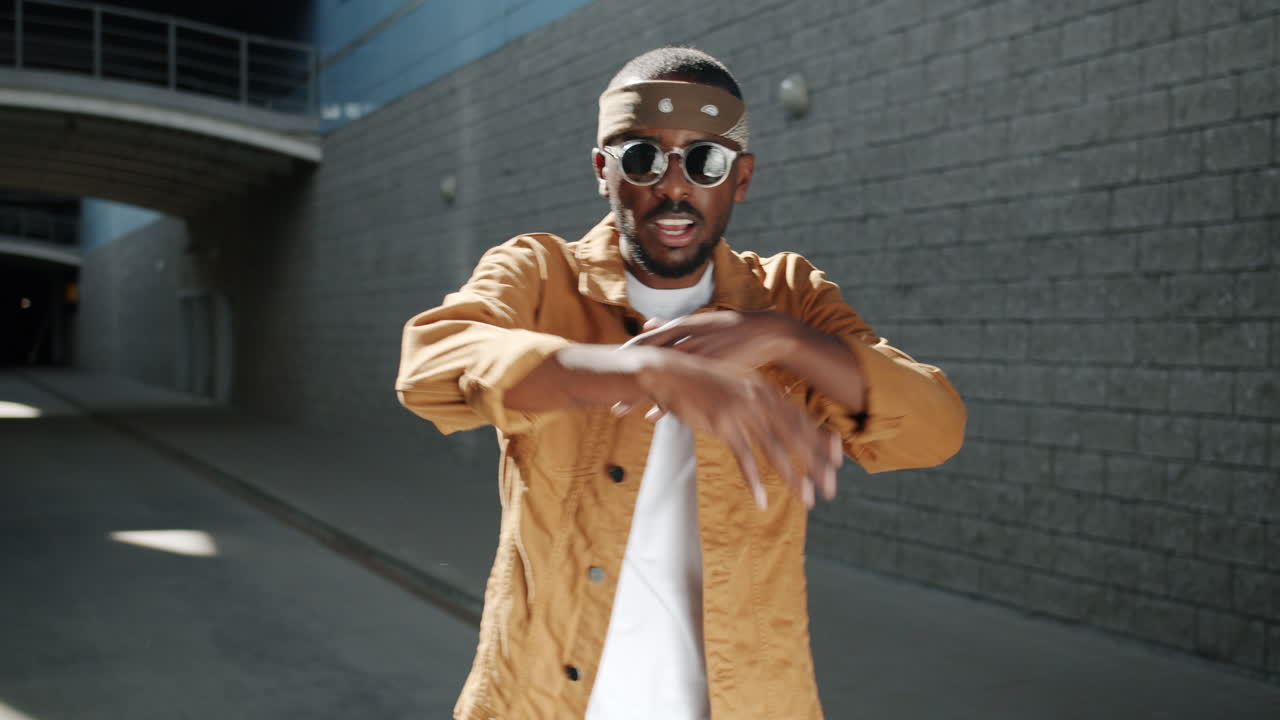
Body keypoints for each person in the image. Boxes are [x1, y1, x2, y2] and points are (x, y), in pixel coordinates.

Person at [396, 47, 966, 720]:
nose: (673, 187)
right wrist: (642, 369)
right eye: (643, 158)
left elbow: (935, 429)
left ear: (741, 177)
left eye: (705, 161)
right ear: (603, 171)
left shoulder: (788, 297)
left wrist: (786, 339)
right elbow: (430, 364)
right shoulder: (539, 274)